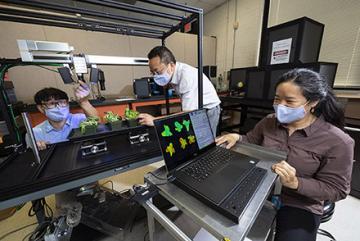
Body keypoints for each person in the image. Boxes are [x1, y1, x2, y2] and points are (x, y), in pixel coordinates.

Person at [216, 69, 354, 241]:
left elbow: (336, 190)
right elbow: (251, 140)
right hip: (258, 188)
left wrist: (296, 183)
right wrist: (236, 136)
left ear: (313, 102)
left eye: (289, 101)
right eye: (277, 99)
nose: (280, 106)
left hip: (300, 202)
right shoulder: (269, 121)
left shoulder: (338, 141)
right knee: (219, 221)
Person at [138, 46, 221, 137]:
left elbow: (187, 113)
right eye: (153, 73)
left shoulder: (186, 77)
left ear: (172, 65)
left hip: (209, 109)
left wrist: (155, 121)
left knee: (205, 141)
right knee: (192, 137)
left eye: (157, 72)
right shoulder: (173, 71)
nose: (156, 76)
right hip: (196, 108)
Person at [31, 81, 98, 150]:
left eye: (62, 102)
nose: (59, 107)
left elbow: (97, 123)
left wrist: (84, 101)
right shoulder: (35, 133)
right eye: (52, 103)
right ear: (41, 108)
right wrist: (39, 149)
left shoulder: (80, 119)